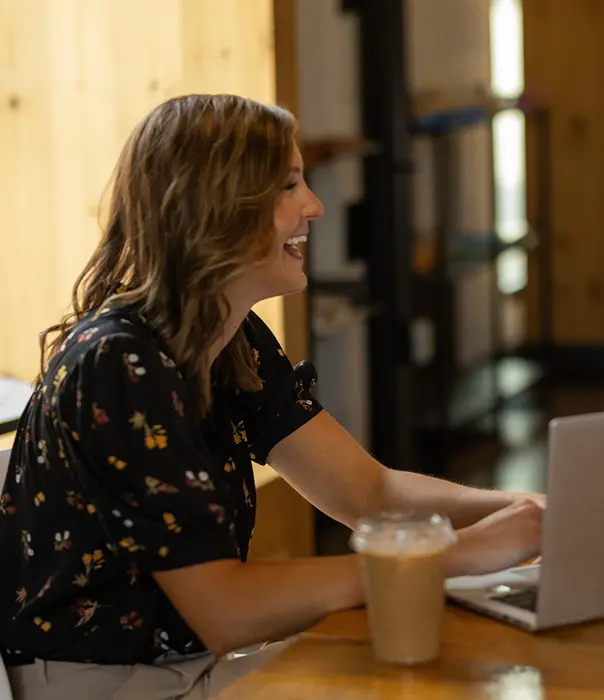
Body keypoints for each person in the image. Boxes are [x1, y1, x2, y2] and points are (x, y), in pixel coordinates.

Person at [0, 94, 543, 699]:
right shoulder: (116, 363)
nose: (314, 205)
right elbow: (225, 610)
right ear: (214, 207)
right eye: (288, 186)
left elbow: (371, 493)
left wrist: (538, 509)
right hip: (104, 686)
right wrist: (457, 553)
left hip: (187, 666)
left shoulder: (231, 337)